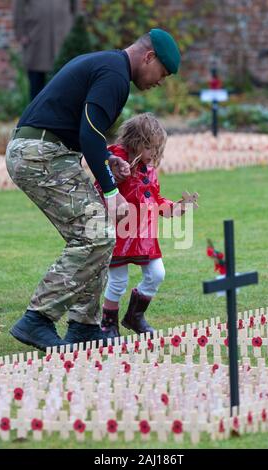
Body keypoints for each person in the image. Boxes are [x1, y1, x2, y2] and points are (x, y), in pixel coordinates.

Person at [5, 29, 181, 351]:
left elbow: (90, 137)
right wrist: (113, 194)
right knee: (97, 233)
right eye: (163, 73)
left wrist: (109, 165)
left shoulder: (108, 67)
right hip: (40, 154)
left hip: (47, 151)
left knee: (97, 234)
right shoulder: (114, 75)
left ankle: (84, 327)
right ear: (149, 57)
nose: (160, 81)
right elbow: (89, 134)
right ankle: (37, 319)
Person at [97, 113, 190, 338]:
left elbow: (154, 199)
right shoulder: (116, 161)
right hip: (120, 231)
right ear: (136, 142)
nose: (154, 154)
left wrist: (174, 208)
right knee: (118, 281)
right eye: (150, 148)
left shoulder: (150, 170)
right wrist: (116, 180)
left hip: (144, 236)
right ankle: (108, 324)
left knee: (157, 273)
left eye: (158, 149)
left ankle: (134, 317)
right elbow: (101, 188)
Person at [13, 0, 78, 100]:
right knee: (36, 87)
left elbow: (75, 7)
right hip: (36, 36)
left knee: (64, 86)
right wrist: (21, 32)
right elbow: (19, 5)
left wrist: (75, 30)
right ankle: (36, 115)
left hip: (63, 36)